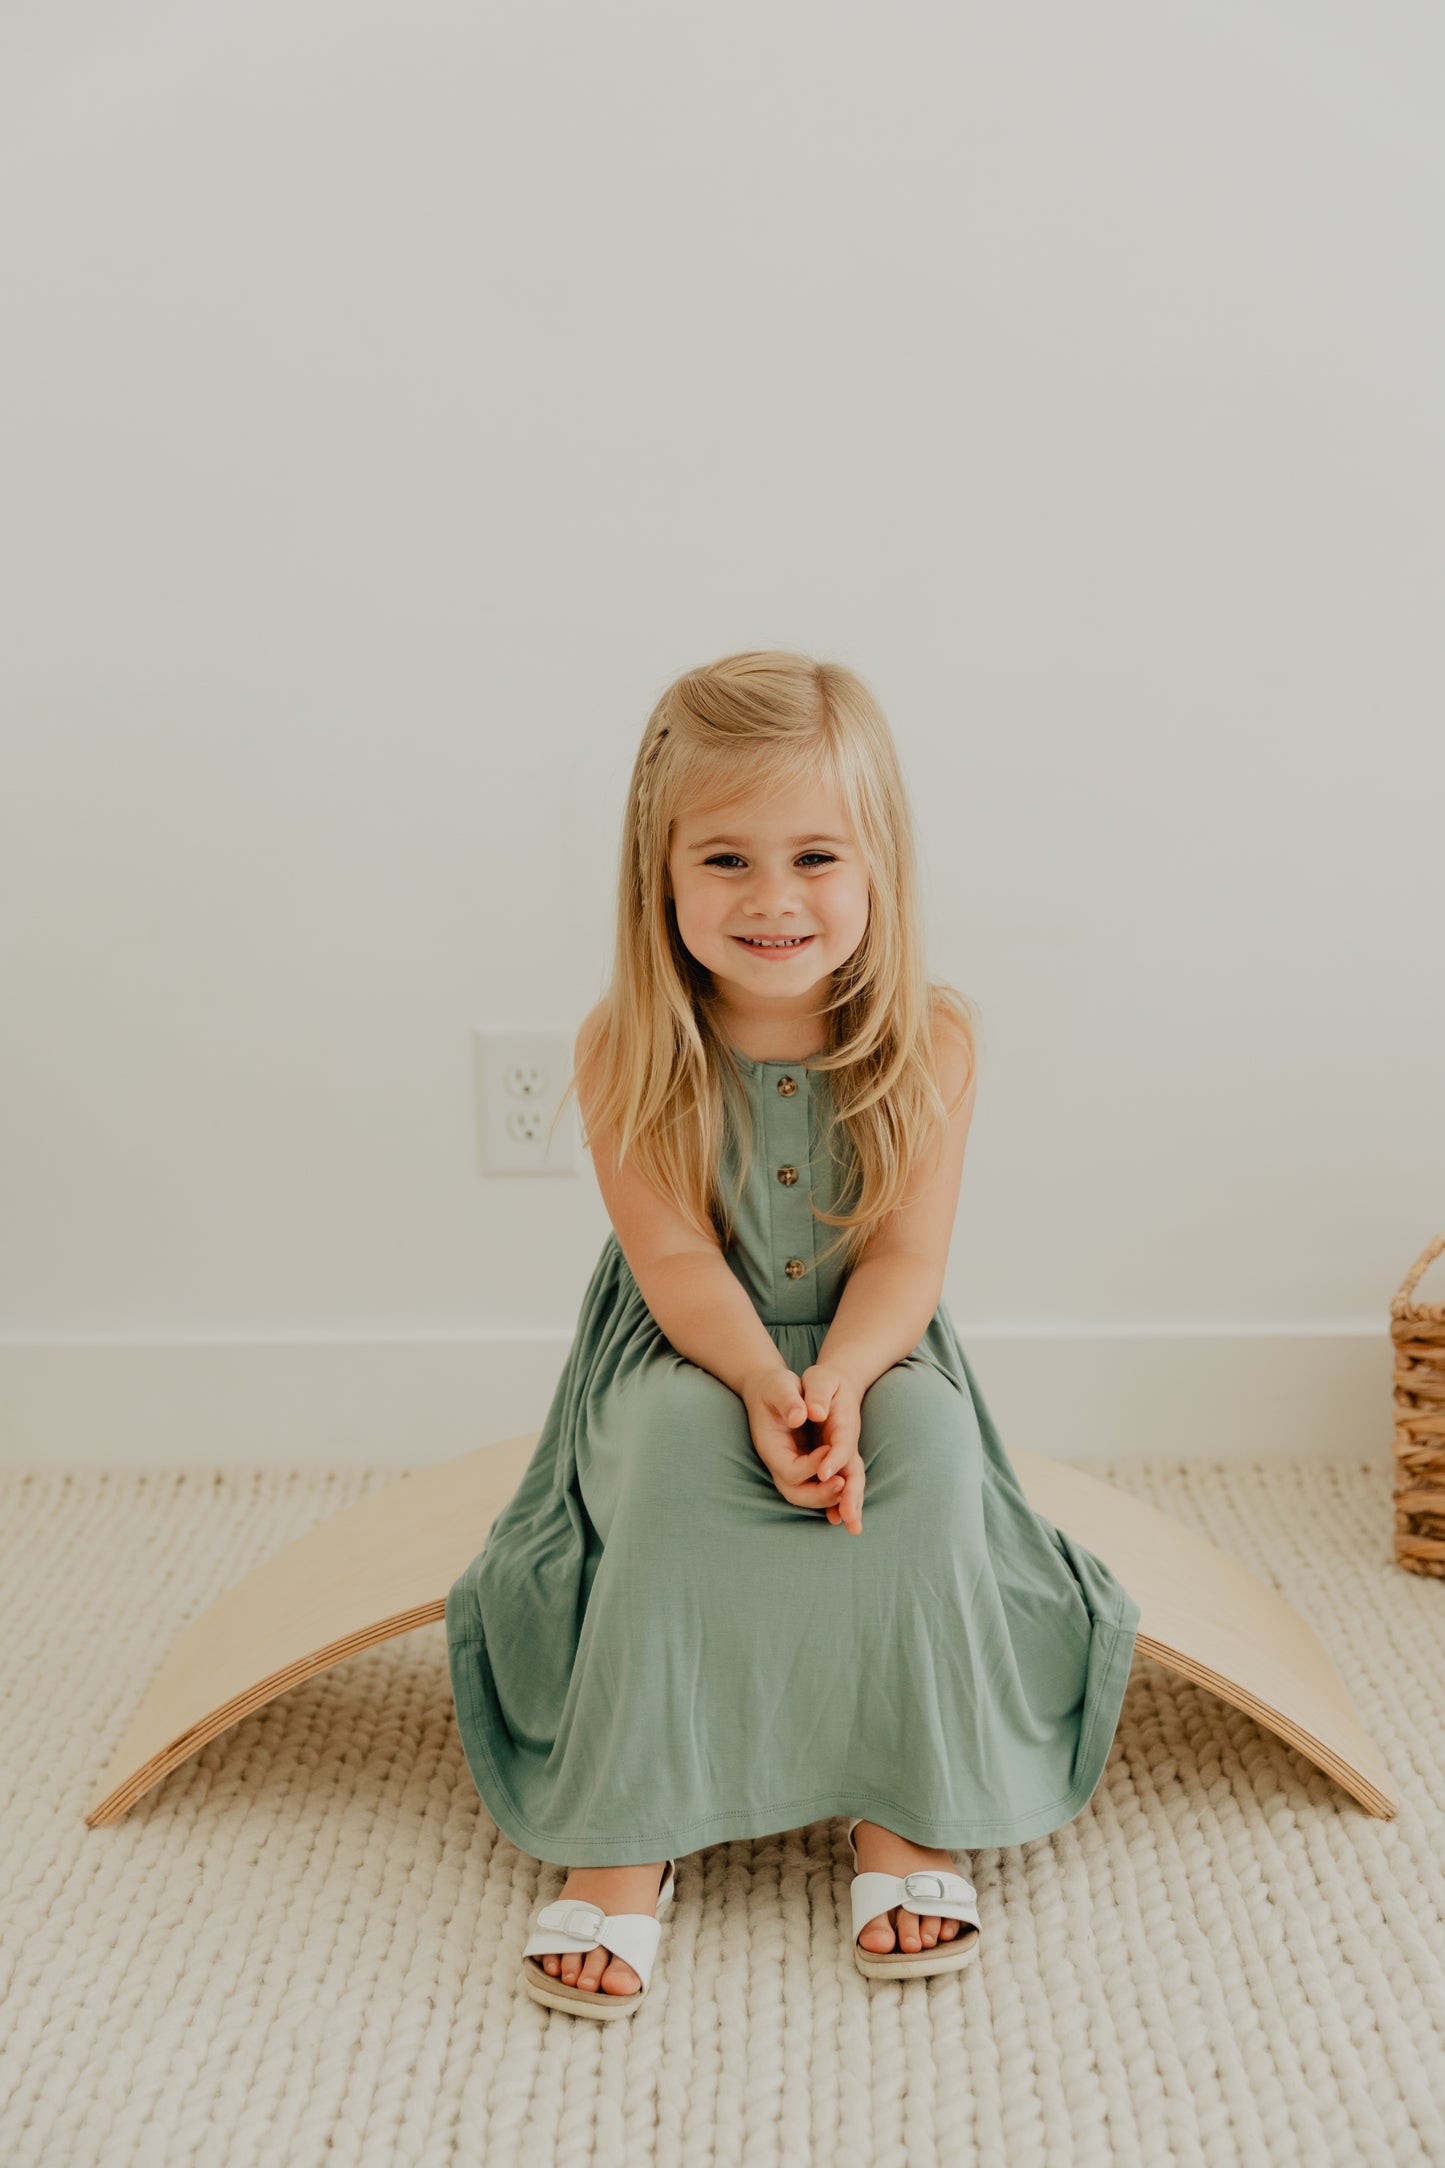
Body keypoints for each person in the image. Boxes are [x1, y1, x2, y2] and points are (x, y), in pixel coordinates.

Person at [445, 648, 1140, 2015]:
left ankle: (907, 1805)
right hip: (689, 1339)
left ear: (879, 865)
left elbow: (907, 1258)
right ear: (657, 873)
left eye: (816, 854)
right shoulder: (624, 1044)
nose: (773, 899)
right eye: (723, 860)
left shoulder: (930, 1040)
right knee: (671, 1465)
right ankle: (627, 1831)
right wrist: (765, 1378)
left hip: (871, 1335)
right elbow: (670, 1256)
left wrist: (838, 1372)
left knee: (927, 1461)